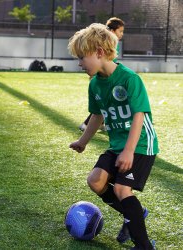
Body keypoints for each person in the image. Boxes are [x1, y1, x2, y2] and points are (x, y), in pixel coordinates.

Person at [68, 23, 159, 250]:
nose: (79, 63)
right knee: (95, 181)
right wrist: (83, 142)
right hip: (118, 145)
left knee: (120, 189)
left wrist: (129, 150)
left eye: (82, 57)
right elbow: (97, 116)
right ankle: (134, 213)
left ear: (99, 52)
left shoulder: (129, 79)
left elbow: (139, 115)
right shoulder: (95, 85)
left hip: (140, 145)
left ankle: (143, 245)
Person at [79, 17, 125, 132]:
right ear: (113, 31)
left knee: (107, 101)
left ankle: (99, 123)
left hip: (108, 76)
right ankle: (86, 124)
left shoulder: (110, 40)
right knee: (106, 102)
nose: (122, 34)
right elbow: (105, 61)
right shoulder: (110, 41)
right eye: (121, 31)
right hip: (107, 77)